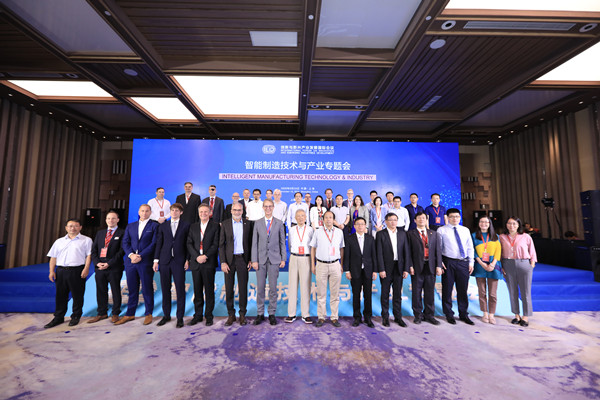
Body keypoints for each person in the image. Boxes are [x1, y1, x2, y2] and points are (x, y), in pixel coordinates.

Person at [44, 218, 92, 329]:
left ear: (80, 227)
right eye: (70, 226)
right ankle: (58, 317)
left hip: (77, 270)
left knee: (77, 295)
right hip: (61, 271)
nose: (72, 228)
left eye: (75, 226)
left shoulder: (86, 240)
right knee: (60, 295)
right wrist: (51, 271)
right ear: (66, 228)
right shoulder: (59, 241)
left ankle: (76, 316)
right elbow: (53, 257)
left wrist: (86, 268)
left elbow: (89, 256)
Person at [116, 204, 158, 325]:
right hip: (131, 262)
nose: (144, 213)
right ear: (139, 212)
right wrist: (131, 255)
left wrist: (140, 256)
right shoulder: (131, 226)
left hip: (145, 261)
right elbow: (125, 242)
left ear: (150, 213)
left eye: (147, 211)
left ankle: (148, 313)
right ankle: (130, 314)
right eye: (142, 211)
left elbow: (154, 243)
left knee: (147, 288)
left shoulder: (154, 226)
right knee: (132, 288)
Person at [152, 203, 190, 328]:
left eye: (177, 210)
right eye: (172, 210)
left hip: (179, 261)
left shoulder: (186, 225)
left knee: (180, 290)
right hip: (164, 261)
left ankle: (180, 317)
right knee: (165, 289)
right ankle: (166, 315)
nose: (174, 212)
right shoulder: (163, 226)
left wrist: (187, 259)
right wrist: (156, 260)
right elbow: (159, 243)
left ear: (181, 212)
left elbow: (188, 244)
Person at [251, 199, 287, 325]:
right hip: (260, 260)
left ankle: (272, 313)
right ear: (263, 207)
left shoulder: (279, 223)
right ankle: (260, 313)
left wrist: (283, 258)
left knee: (273, 289)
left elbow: (282, 242)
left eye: (270, 206)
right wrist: (254, 260)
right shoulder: (257, 223)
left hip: (274, 260)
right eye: (265, 206)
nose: (268, 208)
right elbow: (254, 243)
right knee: (260, 288)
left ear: (273, 207)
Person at [437, 208, 474, 325]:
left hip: (463, 262)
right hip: (448, 262)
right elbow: (438, 248)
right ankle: (449, 314)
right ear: (447, 218)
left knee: (462, 289)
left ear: (460, 217)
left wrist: (471, 262)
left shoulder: (465, 230)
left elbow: (470, 247)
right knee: (447, 289)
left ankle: (463, 314)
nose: (455, 219)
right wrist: (440, 262)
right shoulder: (441, 230)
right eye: (452, 216)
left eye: (457, 216)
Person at [499, 217, 537, 327]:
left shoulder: (526, 236)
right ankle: (516, 315)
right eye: (509, 223)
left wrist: (532, 264)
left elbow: (532, 251)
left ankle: (525, 316)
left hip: (523, 263)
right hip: (508, 264)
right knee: (512, 291)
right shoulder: (501, 237)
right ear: (506, 225)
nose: (511, 226)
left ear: (518, 225)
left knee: (526, 291)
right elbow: (499, 252)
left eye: (514, 223)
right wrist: (502, 266)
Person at [88, 211, 125, 324]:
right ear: (105, 220)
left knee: (115, 290)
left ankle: (115, 313)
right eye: (108, 218)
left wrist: (109, 263)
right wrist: (97, 263)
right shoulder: (100, 233)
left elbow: (122, 251)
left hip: (114, 267)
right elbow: (94, 250)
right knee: (101, 290)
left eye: (113, 218)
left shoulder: (122, 232)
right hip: (100, 267)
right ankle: (102, 313)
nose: (110, 220)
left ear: (118, 220)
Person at [219, 202, 252, 326]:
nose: (237, 212)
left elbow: (250, 243)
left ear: (242, 211)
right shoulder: (225, 224)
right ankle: (231, 314)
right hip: (229, 261)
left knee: (243, 288)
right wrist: (223, 262)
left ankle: (242, 314)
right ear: (231, 211)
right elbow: (221, 245)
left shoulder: (248, 224)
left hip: (243, 260)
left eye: (239, 210)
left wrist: (250, 259)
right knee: (229, 288)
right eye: (235, 210)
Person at [187, 204, 220, 326]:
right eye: (201, 212)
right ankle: (198, 315)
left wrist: (205, 256)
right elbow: (189, 243)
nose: (203, 214)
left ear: (210, 212)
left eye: (206, 211)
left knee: (209, 291)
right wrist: (197, 257)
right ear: (198, 213)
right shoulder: (193, 226)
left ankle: (209, 315)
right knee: (197, 290)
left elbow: (215, 244)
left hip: (208, 262)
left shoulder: (215, 226)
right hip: (196, 263)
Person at [310, 211, 345, 327]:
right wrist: (313, 265)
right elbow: (313, 248)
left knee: (335, 294)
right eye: (326, 217)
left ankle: (334, 317)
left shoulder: (339, 232)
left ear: (333, 220)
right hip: (321, 265)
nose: (328, 219)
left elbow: (342, 249)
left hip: (335, 264)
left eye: (331, 217)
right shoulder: (318, 232)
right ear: (323, 219)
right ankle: (321, 317)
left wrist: (341, 264)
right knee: (321, 294)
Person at [376, 213, 411, 327]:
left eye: (395, 220)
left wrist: (406, 269)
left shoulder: (402, 233)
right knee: (385, 294)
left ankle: (398, 317)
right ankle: (385, 317)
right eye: (390, 220)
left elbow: (406, 252)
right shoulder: (381, 234)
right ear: (386, 221)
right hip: (386, 269)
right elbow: (379, 253)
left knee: (397, 294)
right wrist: (381, 269)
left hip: (399, 268)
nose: (393, 222)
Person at [407, 211, 442, 325]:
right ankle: (418, 315)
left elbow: (438, 251)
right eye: (419, 218)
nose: (421, 220)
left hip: (431, 266)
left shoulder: (433, 233)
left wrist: (438, 265)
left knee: (430, 292)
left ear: (426, 220)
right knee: (416, 293)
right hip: (417, 267)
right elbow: (408, 252)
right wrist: (410, 265)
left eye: (423, 218)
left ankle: (429, 315)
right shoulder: (410, 234)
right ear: (415, 220)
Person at [343, 217, 377, 328]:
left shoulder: (370, 238)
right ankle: (357, 317)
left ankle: (368, 318)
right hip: (355, 271)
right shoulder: (350, 239)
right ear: (354, 226)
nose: (360, 226)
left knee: (368, 295)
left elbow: (374, 255)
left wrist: (375, 270)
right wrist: (347, 270)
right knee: (356, 295)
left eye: (362, 224)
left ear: (365, 226)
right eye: (358, 224)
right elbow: (347, 256)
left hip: (368, 270)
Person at [471, 215, 502, 325]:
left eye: (486, 222)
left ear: (489, 224)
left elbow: (498, 251)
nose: (483, 224)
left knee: (492, 294)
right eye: (481, 222)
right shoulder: (473, 236)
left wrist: (493, 264)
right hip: (480, 267)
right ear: (478, 223)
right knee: (482, 292)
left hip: (494, 267)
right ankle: (484, 313)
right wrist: (482, 264)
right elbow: (472, 251)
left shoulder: (496, 236)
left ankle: (491, 315)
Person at [286, 209, 314, 324]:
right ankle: (291, 314)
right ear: (295, 218)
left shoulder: (310, 230)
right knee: (292, 286)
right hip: (294, 257)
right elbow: (290, 245)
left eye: (303, 215)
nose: (301, 218)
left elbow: (313, 246)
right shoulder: (292, 230)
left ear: (306, 217)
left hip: (306, 258)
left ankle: (305, 314)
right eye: (298, 216)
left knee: (305, 287)